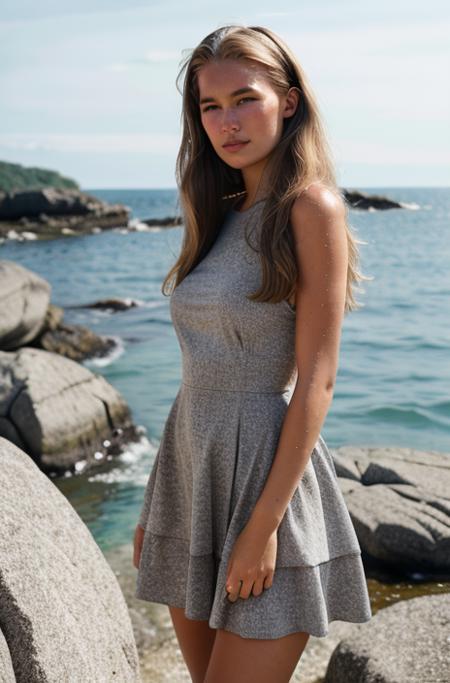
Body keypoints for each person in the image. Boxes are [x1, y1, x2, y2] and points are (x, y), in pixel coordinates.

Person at [133, 23, 372, 683]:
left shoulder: (311, 206)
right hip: (191, 478)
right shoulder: (221, 211)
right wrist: (157, 507)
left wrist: (263, 525)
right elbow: (197, 375)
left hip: (266, 482)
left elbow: (317, 378)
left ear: (288, 101)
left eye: (245, 99)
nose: (226, 122)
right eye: (210, 107)